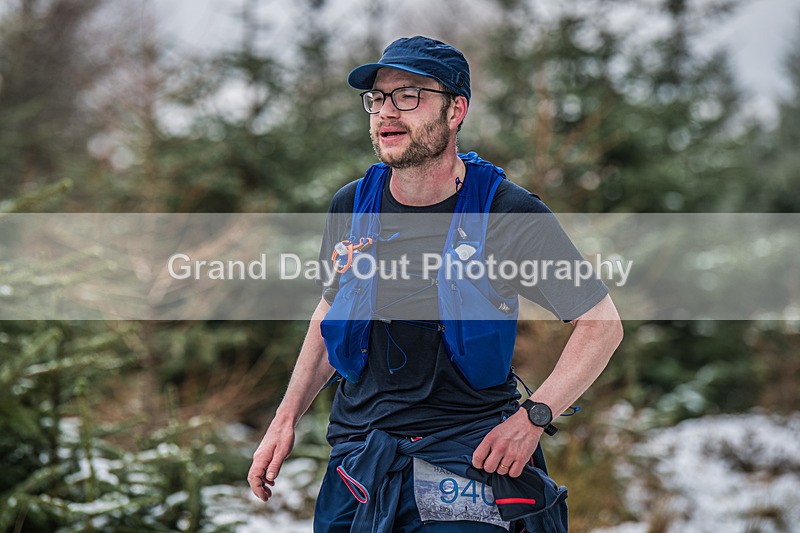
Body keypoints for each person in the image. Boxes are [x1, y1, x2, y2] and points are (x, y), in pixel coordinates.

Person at [248, 36, 623, 532]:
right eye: (378, 98)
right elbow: (330, 312)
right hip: (360, 457)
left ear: (455, 110)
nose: (387, 112)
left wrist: (532, 418)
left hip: (466, 457)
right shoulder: (352, 205)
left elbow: (601, 323)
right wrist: (285, 419)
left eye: (409, 96)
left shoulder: (507, 213)